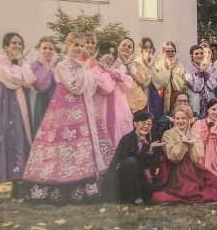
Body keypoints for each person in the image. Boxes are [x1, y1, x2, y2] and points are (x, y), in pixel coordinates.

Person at [22, 32, 115, 203]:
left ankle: (90, 186)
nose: (79, 48)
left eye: (81, 45)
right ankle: (65, 186)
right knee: (67, 146)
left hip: (85, 109)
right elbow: (75, 87)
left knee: (85, 145)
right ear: (67, 46)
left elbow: (92, 87)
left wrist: (85, 66)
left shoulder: (81, 65)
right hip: (66, 110)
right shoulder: (62, 66)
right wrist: (85, 67)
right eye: (76, 45)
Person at [0, 32, 35, 199]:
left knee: (22, 138)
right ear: (5, 46)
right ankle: (16, 182)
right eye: (13, 43)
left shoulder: (23, 62)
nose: (17, 46)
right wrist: (16, 64)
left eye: (20, 43)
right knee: (10, 139)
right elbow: (14, 81)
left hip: (21, 104)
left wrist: (18, 65)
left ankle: (20, 185)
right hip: (6, 105)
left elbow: (29, 80)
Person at [151, 105, 217, 204]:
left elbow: (197, 157)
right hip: (174, 168)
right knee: (188, 189)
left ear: (189, 119)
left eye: (183, 118)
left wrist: (191, 146)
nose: (180, 121)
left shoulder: (194, 135)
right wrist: (183, 144)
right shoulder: (168, 134)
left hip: (191, 166)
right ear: (173, 120)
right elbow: (172, 157)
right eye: (177, 118)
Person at [102, 111, 165, 205]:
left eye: (149, 124)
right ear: (135, 123)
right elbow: (130, 162)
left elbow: (149, 165)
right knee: (131, 161)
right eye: (143, 123)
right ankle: (135, 197)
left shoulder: (149, 142)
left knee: (154, 195)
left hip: (138, 177)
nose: (146, 126)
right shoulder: (126, 139)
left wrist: (150, 149)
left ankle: (139, 194)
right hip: (121, 176)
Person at [93, 41, 135, 146]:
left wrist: (111, 72)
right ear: (100, 53)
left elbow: (128, 84)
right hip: (103, 110)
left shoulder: (116, 71)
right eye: (107, 53)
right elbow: (106, 88)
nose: (110, 56)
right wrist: (108, 71)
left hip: (120, 111)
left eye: (113, 54)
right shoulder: (94, 71)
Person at [28, 36, 57, 137]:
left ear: (54, 51)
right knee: (38, 128)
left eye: (50, 49)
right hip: (37, 102)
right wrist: (46, 68)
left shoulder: (57, 65)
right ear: (39, 49)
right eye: (44, 48)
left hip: (54, 102)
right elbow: (39, 86)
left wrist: (52, 68)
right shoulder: (33, 65)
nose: (47, 51)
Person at [184, 44, 217, 118]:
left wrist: (205, 74)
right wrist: (199, 74)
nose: (199, 56)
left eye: (201, 53)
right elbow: (196, 88)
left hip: (209, 97)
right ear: (191, 55)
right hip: (194, 99)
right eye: (196, 54)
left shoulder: (210, 68)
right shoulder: (187, 70)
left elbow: (214, 85)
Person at [116, 37, 148, 114]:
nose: (126, 48)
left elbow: (142, 80)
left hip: (139, 103)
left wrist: (129, 65)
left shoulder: (136, 64)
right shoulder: (112, 62)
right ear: (118, 47)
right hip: (120, 102)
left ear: (132, 51)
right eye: (123, 45)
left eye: (129, 47)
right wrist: (124, 65)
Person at [133, 37, 162, 121]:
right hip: (141, 93)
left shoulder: (155, 63)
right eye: (145, 47)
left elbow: (159, 82)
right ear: (141, 49)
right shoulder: (136, 62)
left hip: (153, 93)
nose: (148, 49)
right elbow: (143, 82)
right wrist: (147, 67)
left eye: (150, 47)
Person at [154, 41, 186, 113]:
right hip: (161, 95)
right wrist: (168, 71)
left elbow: (182, 84)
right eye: (167, 51)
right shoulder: (158, 65)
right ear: (162, 53)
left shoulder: (179, 66)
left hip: (175, 95)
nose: (170, 53)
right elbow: (158, 82)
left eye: (172, 51)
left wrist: (172, 73)